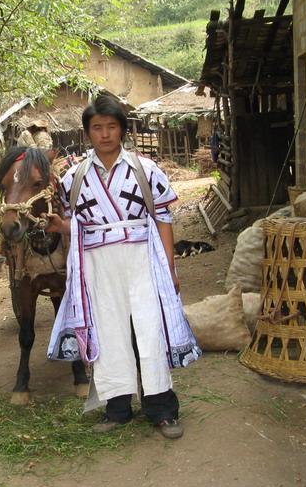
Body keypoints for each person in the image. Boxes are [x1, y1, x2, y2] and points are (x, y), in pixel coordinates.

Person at [45, 95, 201, 439]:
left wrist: (170, 268)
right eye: (97, 128)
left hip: (142, 258)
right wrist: (61, 227)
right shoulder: (73, 177)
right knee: (109, 332)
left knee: (149, 330)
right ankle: (117, 408)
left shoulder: (146, 170)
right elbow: (80, 226)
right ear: (87, 133)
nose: (104, 134)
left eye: (111, 127)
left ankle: (161, 409)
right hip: (97, 264)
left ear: (122, 130)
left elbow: (163, 219)